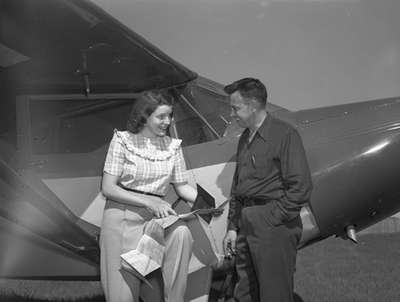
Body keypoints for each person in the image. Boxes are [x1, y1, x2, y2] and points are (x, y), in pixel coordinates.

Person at [100, 91, 197, 302]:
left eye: (169, 116)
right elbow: (108, 188)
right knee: (122, 297)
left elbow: (182, 187)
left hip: (156, 223)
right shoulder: (122, 140)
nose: (167, 121)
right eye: (161, 117)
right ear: (144, 116)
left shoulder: (173, 146)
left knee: (182, 233)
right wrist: (150, 201)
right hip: (122, 218)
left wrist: (208, 205)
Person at [222, 78, 313, 302]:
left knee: (274, 294)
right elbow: (238, 187)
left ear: (252, 105)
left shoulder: (285, 135)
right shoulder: (244, 138)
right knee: (244, 293)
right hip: (246, 223)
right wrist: (233, 227)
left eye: (235, 108)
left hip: (272, 224)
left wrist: (273, 219)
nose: (231, 114)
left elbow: (301, 186)